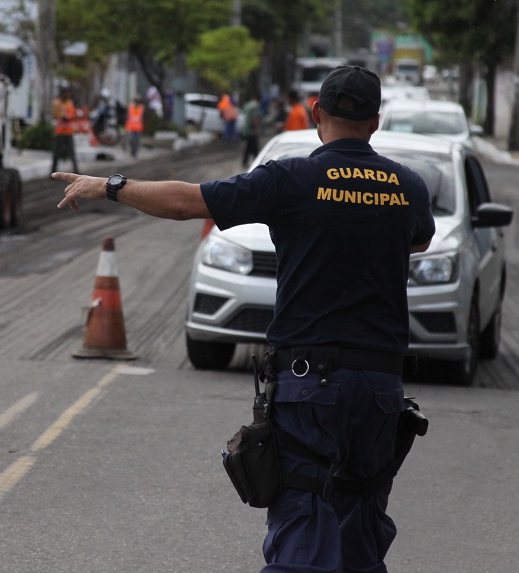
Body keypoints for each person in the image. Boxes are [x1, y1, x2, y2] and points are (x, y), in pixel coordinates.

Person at [53, 66, 435, 573]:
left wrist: (111, 185)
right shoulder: (407, 187)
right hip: (380, 391)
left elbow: (189, 203)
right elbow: (418, 240)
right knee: (361, 535)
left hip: (310, 387)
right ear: (375, 122)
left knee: (302, 532)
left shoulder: (291, 178)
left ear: (317, 114)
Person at [52, 85, 80, 174]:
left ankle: (76, 172)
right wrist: (64, 116)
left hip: (68, 132)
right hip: (60, 132)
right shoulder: (57, 103)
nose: (66, 94)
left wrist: (67, 116)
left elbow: (72, 115)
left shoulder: (69, 103)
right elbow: (56, 115)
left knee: (72, 154)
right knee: (56, 154)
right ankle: (53, 172)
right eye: (65, 92)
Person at [240, 91, 263, 167]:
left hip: (245, 129)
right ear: (259, 99)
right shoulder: (255, 106)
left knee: (249, 146)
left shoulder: (247, 104)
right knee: (254, 147)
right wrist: (257, 130)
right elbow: (254, 119)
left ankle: (246, 161)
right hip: (251, 130)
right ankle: (257, 162)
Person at [124, 94, 145, 158]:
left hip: (138, 127)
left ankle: (135, 153)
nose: (136, 102)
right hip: (131, 127)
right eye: (136, 100)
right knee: (131, 140)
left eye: (138, 100)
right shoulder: (131, 107)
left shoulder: (141, 107)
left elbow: (142, 117)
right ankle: (132, 151)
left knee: (137, 141)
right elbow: (128, 116)